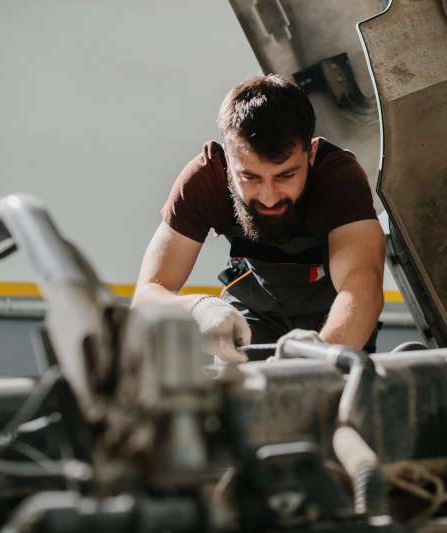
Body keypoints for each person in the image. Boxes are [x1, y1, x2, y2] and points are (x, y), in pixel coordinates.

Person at [132, 74, 385, 362]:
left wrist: (318, 359)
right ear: (228, 159)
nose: (268, 196)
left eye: (286, 175)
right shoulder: (205, 180)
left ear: (311, 153)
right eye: (249, 177)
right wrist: (198, 308)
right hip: (251, 312)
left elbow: (362, 285)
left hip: (334, 315)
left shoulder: (338, 178)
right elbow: (147, 296)